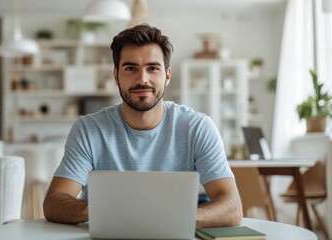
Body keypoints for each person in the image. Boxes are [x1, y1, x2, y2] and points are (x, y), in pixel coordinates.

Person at [43, 24, 243, 227]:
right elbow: (54, 202)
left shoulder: (198, 127)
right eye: (131, 68)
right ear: (116, 76)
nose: (142, 79)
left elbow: (232, 207)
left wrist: (177, 219)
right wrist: (99, 210)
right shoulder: (88, 130)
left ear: (167, 76)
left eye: (152, 68)